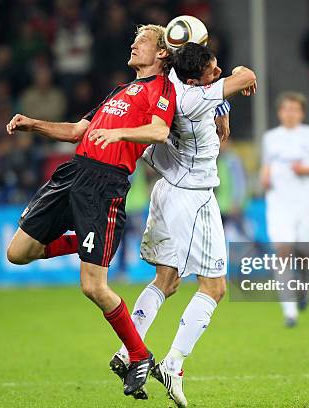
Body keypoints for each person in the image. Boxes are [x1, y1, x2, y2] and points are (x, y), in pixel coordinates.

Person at [4, 24, 176, 397]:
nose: (132, 44)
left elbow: (159, 132)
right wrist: (33, 123)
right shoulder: (118, 91)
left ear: (162, 52)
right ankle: (86, 242)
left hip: (105, 185)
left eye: (141, 40)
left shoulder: (162, 89)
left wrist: (120, 135)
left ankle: (139, 354)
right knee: (17, 253)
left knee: (93, 286)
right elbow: (76, 130)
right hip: (72, 173)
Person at [95, 42, 256, 407]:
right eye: (212, 72)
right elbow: (245, 75)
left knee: (165, 281)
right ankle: (173, 364)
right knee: (214, 288)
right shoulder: (196, 100)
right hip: (195, 197)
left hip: (165, 190)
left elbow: (220, 86)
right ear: (197, 80)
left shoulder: (168, 85)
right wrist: (230, 90)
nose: (218, 75)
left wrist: (224, 103)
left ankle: (127, 350)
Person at [260, 92, 309, 327]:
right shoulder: (271, 138)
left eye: (295, 109)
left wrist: (308, 170)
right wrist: (264, 176)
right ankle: (289, 311)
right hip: (279, 204)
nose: (290, 113)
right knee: (283, 252)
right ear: (279, 112)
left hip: (306, 203)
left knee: (303, 254)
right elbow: (267, 165)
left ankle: (303, 291)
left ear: (301, 112)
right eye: (286, 109)